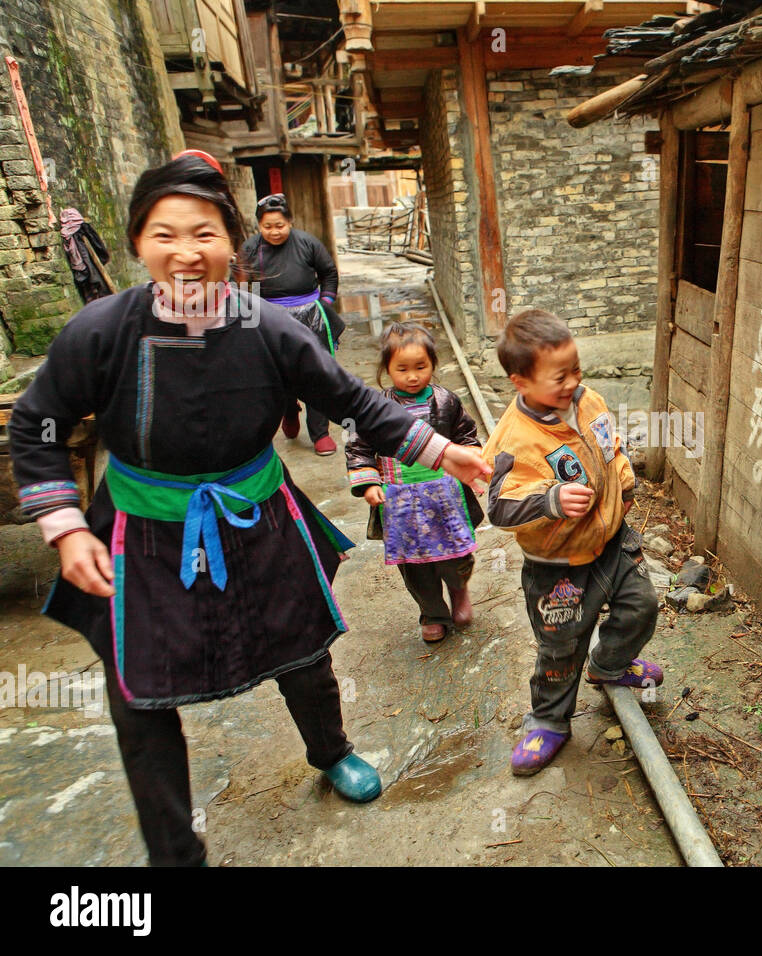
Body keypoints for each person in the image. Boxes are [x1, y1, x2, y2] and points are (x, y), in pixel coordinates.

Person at [8, 151, 492, 866]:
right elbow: (38, 423)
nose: (185, 252)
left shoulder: (268, 328)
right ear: (139, 241)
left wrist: (439, 450)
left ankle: (332, 753)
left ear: (228, 244)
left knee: (302, 652)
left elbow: (354, 403)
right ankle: (174, 850)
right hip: (140, 534)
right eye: (164, 234)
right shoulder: (100, 332)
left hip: (259, 518)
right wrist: (64, 523)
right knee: (138, 695)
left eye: (203, 233)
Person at [481, 308, 663, 776]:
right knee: (561, 646)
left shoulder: (589, 400)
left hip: (611, 540)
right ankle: (548, 720)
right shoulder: (514, 438)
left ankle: (610, 664)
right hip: (556, 565)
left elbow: (612, 447)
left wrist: (623, 483)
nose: (572, 382)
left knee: (642, 604)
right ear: (520, 382)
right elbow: (498, 507)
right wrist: (550, 500)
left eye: (576, 369)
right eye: (559, 376)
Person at [346, 322, 482, 643]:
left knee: (456, 555)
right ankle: (432, 612)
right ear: (387, 370)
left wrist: (471, 462)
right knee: (414, 566)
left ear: (433, 364)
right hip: (400, 504)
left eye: (421, 367)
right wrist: (368, 483)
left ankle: (458, 589)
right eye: (402, 369)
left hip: (445, 498)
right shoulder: (375, 409)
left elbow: (466, 435)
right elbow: (359, 447)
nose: (412, 376)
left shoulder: (446, 401)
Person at [241, 193, 345, 456]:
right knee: (278, 372)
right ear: (259, 226)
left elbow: (328, 273)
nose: (274, 232)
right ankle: (289, 410)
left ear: (290, 222)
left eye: (280, 225)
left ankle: (320, 433)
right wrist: (252, 320)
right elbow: (246, 285)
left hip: (310, 313)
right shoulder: (251, 249)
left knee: (314, 371)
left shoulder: (308, 243)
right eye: (267, 227)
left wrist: (326, 302)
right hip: (270, 316)